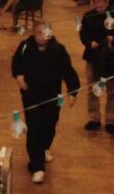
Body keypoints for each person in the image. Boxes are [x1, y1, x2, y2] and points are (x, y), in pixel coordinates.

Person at [12, 22, 81, 184]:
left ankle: (44, 148)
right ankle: (36, 166)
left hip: (52, 96)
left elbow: (68, 70)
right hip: (31, 95)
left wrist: (73, 92)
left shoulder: (58, 50)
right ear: (34, 33)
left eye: (44, 33)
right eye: (38, 33)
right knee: (34, 127)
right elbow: (16, 64)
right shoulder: (25, 47)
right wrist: (19, 76)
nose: (41, 37)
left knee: (49, 125)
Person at [79, 0, 114, 133]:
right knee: (92, 89)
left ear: (106, 2)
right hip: (93, 57)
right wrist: (89, 43)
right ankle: (94, 118)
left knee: (112, 90)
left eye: (101, 3)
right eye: (96, 3)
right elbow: (83, 34)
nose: (98, 6)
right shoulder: (88, 16)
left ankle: (110, 120)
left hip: (111, 59)